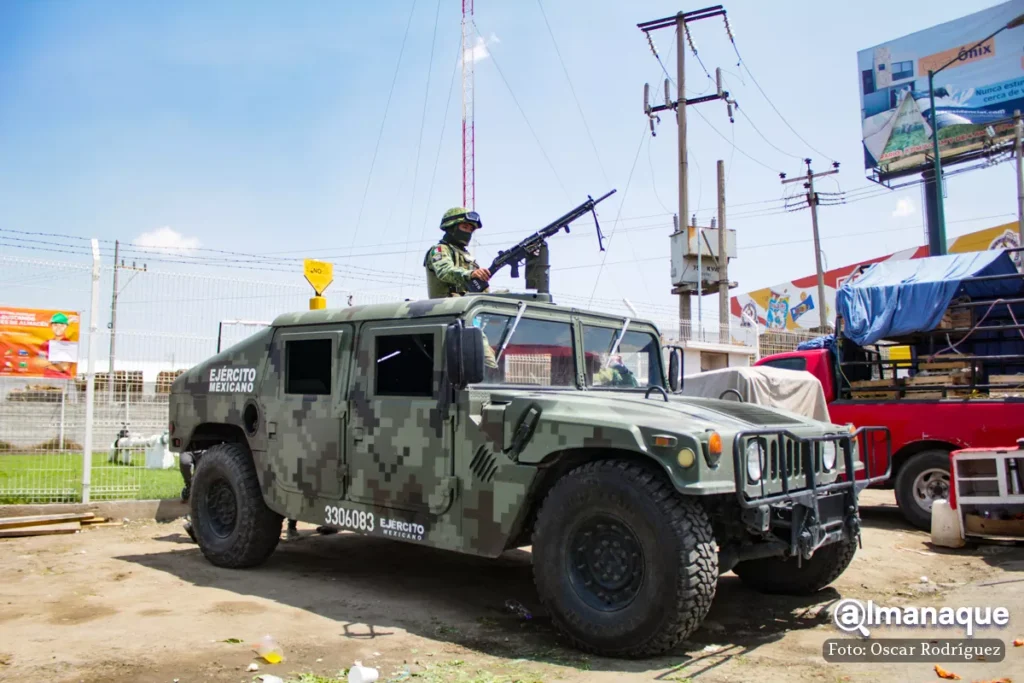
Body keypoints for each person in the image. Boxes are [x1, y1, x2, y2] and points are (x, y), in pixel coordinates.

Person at [424, 207, 491, 298]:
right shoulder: (439, 250)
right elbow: (445, 271)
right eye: (464, 227)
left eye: (471, 229)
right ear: (451, 227)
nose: (468, 232)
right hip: (445, 304)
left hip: (467, 304)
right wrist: (470, 274)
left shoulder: (466, 256)